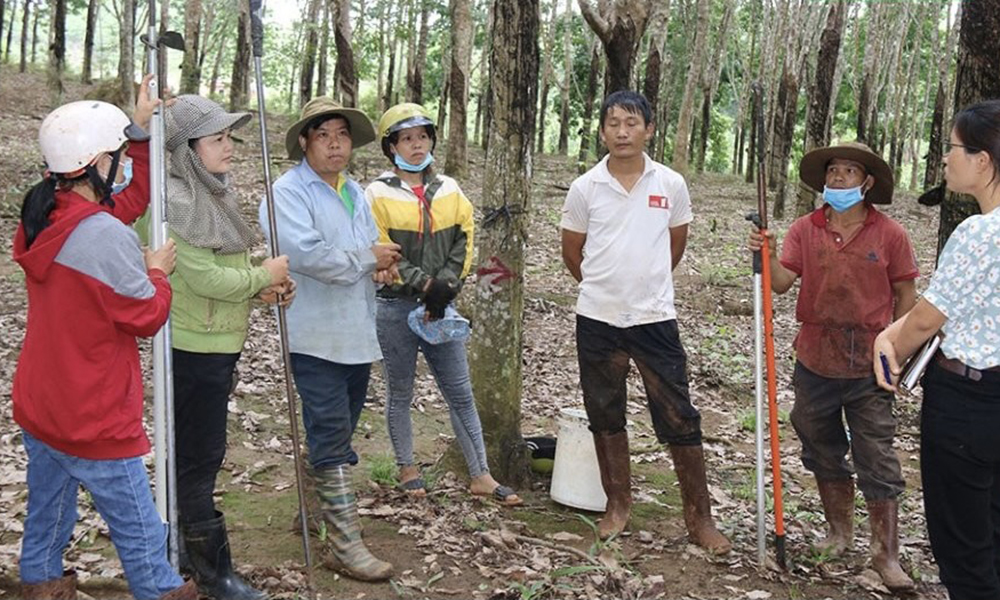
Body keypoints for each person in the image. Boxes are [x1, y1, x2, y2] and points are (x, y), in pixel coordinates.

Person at [12, 78, 196, 600]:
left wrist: (136, 130)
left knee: (47, 515)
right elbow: (146, 315)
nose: (122, 163)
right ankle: (160, 590)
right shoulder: (102, 235)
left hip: (42, 401)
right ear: (94, 163)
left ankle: (41, 585)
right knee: (139, 528)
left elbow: (127, 201)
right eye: (117, 155)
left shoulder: (42, 214)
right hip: (92, 412)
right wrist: (157, 272)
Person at [137, 95, 294, 600]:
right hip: (191, 345)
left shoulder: (212, 193)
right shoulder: (174, 203)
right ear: (186, 149)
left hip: (217, 342)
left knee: (199, 453)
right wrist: (259, 276)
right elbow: (200, 276)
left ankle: (185, 555)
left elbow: (223, 269)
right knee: (198, 455)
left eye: (229, 137)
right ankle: (209, 571)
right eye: (217, 139)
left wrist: (260, 287)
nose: (229, 147)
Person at [560, 90, 730, 553]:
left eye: (631, 123)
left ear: (649, 129)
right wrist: (604, 285)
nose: (621, 131)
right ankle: (618, 506)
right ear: (601, 131)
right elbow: (573, 252)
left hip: (655, 318)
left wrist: (644, 284)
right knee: (604, 410)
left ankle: (699, 518)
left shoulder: (670, 184)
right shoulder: (585, 188)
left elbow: (675, 246)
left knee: (678, 413)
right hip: (597, 317)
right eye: (612, 123)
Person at [748, 141, 917, 591]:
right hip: (815, 356)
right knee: (818, 439)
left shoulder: (890, 235)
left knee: (876, 453)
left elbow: (905, 295)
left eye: (849, 171)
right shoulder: (806, 229)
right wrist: (765, 253)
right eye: (833, 171)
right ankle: (839, 532)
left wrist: (898, 346)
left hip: (870, 361)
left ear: (867, 183)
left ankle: (886, 552)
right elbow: (782, 284)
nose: (839, 178)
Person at [259, 96, 400, 581]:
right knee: (330, 426)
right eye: (324, 135)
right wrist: (368, 259)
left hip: (355, 331)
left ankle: (314, 510)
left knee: (337, 427)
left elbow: (363, 248)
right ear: (305, 142)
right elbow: (308, 255)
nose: (336, 144)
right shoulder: (286, 193)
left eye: (342, 134)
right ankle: (344, 545)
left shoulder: (354, 191)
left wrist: (381, 267)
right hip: (312, 333)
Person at [365, 103, 522, 505]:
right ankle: (406, 466)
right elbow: (382, 249)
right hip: (394, 306)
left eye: (422, 137)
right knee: (400, 391)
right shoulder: (376, 193)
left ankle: (481, 474)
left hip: (443, 308)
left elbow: (464, 238)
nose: (416, 146)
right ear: (391, 146)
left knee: (460, 391)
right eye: (406, 139)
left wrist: (448, 285)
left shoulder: (450, 189)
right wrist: (424, 284)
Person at [874, 100, 1000, 600]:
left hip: (968, 406)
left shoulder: (979, 233)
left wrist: (888, 341)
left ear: (983, 160)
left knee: (964, 551)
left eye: (951, 148)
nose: (945, 159)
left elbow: (927, 319)